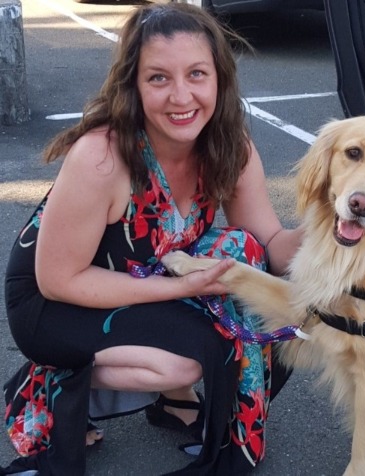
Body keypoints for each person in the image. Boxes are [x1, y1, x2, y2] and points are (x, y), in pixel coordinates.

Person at [2, 3, 302, 475]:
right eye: (159, 78)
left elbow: (269, 243)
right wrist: (181, 289)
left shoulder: (230, 147)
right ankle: (47, 383)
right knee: (187, 359)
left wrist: (335, 237)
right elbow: (59, 279)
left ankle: (173, 403)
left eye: (196, 74)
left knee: (243, 260)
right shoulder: (101, 156)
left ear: (219, 79)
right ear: (135, 86)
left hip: (140, 276)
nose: (181, 96)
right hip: (52, 300)